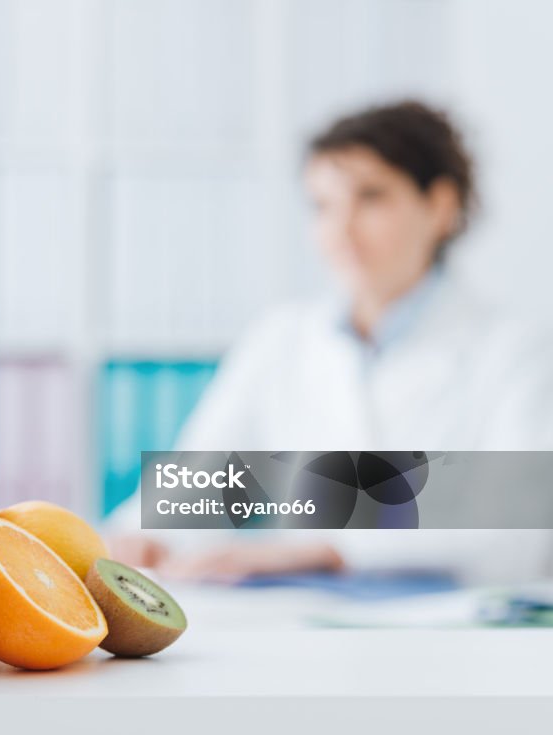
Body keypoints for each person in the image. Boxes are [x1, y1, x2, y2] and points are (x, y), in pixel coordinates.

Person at [108, 101, 553, 586]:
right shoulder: (282, 339)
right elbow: (203, 480)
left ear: (440, 205)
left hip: (456, 638)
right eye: (323, 206)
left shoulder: (516, 352)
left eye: (372, 197)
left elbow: (518, 536)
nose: (341, 229)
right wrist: (147, 535)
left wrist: (330, 550)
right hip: (305, 624)